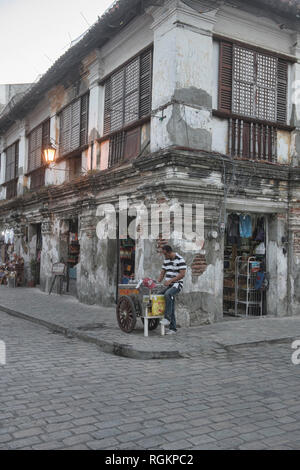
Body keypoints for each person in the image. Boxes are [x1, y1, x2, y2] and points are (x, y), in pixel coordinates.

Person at [157, 245, 186, 335]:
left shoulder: (180, 259)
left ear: (169, 252)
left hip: (177, 285)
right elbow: (163, 272)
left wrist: (170, 280)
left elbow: (182, 274)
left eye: (165, 254)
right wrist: (157, 281)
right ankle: (173, 328)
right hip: (169, 286)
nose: (164, 256)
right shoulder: (166, 260)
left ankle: (167, 318)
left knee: (167, 295)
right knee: (158, 295)